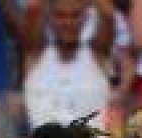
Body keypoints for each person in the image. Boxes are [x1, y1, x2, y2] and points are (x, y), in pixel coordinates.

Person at [20, 0, 115, 129]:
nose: (68, 22)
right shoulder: (35, 52)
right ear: (49, 17)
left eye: (75, 15)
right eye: (59, 15)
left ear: (86, 16)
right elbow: (33, 7)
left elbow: (107, 14)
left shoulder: (98, 52)